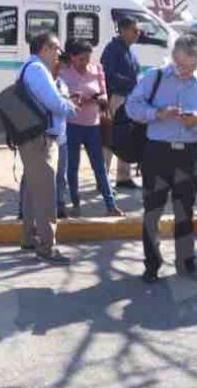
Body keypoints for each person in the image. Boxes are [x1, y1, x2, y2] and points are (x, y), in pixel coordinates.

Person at [126, 34, 197, 283]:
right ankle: (152, 264)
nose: (184, 71)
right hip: (158, 152)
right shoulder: (154, 77)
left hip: (189, 154)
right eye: (180, 65)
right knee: (152, 211)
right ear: (173, 57)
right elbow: (132, 106)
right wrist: (157, 113)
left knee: (185, 211)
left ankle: (186, 263)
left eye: (190, 66)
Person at [17, 31, 78, 264]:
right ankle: (46, 246)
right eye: (56, 48)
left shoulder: (29, 68)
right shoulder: (38, 70)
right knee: (45, 195)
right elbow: (54, 103)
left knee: (33, 191)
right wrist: (71, 106)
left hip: (34, 137)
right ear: (44, 48)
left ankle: (29, 237)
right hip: (40, 140)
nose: (60, 53)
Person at [60, 40, 123, 217]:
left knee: (100, 167)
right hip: (72, 125)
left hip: (93, 125)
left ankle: (111, 205)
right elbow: (63, 99)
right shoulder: (64, 74)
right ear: (72, 58)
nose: (85, 63)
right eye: (81, 59)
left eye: (87, 58)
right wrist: (79, 99)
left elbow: (103, 92)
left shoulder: (97, 70)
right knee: (72, 168)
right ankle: (75, 202)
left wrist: (100, 98)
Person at [100, 16, 142, 189]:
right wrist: (130, 82)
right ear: (123, 30)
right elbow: (108, 75)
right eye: (135, 30)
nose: (138, 34)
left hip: (129, 98)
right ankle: (102, 178)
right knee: (110, 138)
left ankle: (123, 178)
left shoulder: (130, 50)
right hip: (115, 98)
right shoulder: (112, 49)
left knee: (127, 137)